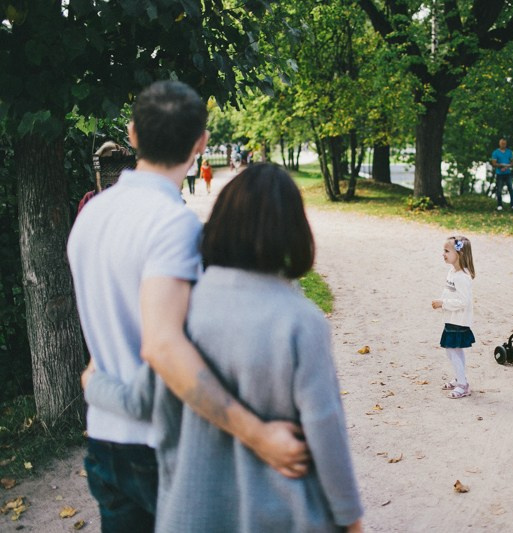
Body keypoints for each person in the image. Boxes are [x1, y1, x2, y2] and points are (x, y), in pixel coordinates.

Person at [69, 81, 308, 532]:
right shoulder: (173, 224)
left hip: (104, 435)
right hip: (162, 443)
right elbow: (163, 346)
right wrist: (258, 434)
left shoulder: (90, 217)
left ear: (132, 133)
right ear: (201, 142)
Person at [87, 165, 364, 532]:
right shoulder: (302, 322)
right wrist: (351, 519)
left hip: (194, 516)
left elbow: (140, 401)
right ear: (295, 232)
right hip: (284, 517)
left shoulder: (181, 314)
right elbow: (326, 432)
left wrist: (93, 382)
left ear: (220, 223)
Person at [432, 235, 476, 399]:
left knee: (451, 349)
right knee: (454, 350)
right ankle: (459, 377)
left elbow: (463, 302)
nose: (443, 254)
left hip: (459, 320)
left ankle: (463, 385)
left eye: (447, 251)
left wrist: (443, 303)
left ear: (459, 253)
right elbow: (449, 292)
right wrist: (441, 301)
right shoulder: (452, 272)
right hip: (451, 318)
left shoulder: (462, 277)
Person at [491, 138, 513, 211]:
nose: (503, 145)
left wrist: (506, 167)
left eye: (504, 144)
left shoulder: (509, 152)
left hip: (507, 173)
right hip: (499, 174)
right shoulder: (495, 152)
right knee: (499, 189)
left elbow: (512, 162)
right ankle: (499, 205)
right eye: (502, 143)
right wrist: (501, 165)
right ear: (499, 144)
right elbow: (494, 163)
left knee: (510, 188)